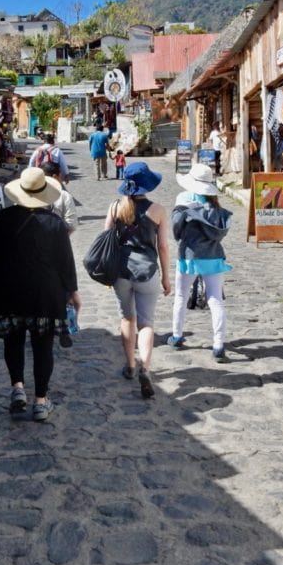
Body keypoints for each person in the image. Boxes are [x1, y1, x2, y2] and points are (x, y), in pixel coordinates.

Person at [0, 167, 81, 422]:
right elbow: (65, 262)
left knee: (12, 341)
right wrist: (72, 291)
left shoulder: (2, 219)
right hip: (45, 294)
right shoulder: (55, 223)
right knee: (43, 345)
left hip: (8, 291)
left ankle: (17, 389)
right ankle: (40, 401)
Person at [104, 162, 171, 398]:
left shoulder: (115, 208)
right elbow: (162, 246)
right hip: (148, 271)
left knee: (127, 317)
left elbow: (107, 241)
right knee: (146, 322)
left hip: (121, 272)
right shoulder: (158, 210)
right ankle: (145, 368)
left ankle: (130, 365)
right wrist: (166, 278)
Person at [167, 163, 233, 362]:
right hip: (213, 257)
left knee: (180, 295)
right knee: (215, 300)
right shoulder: (216, 209)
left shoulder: (184, 203)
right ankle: (219, 344)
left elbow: (176, 230)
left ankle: (177, 336)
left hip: (189, 257)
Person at [43, 160, 78, 349]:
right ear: (56, 176)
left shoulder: (28, 197)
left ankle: (39, 325)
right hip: (60, 250)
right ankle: (64, 328)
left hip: (35, 251)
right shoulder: (64, 196)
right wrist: (60, 237)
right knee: (63, 289)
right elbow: (71, 224)